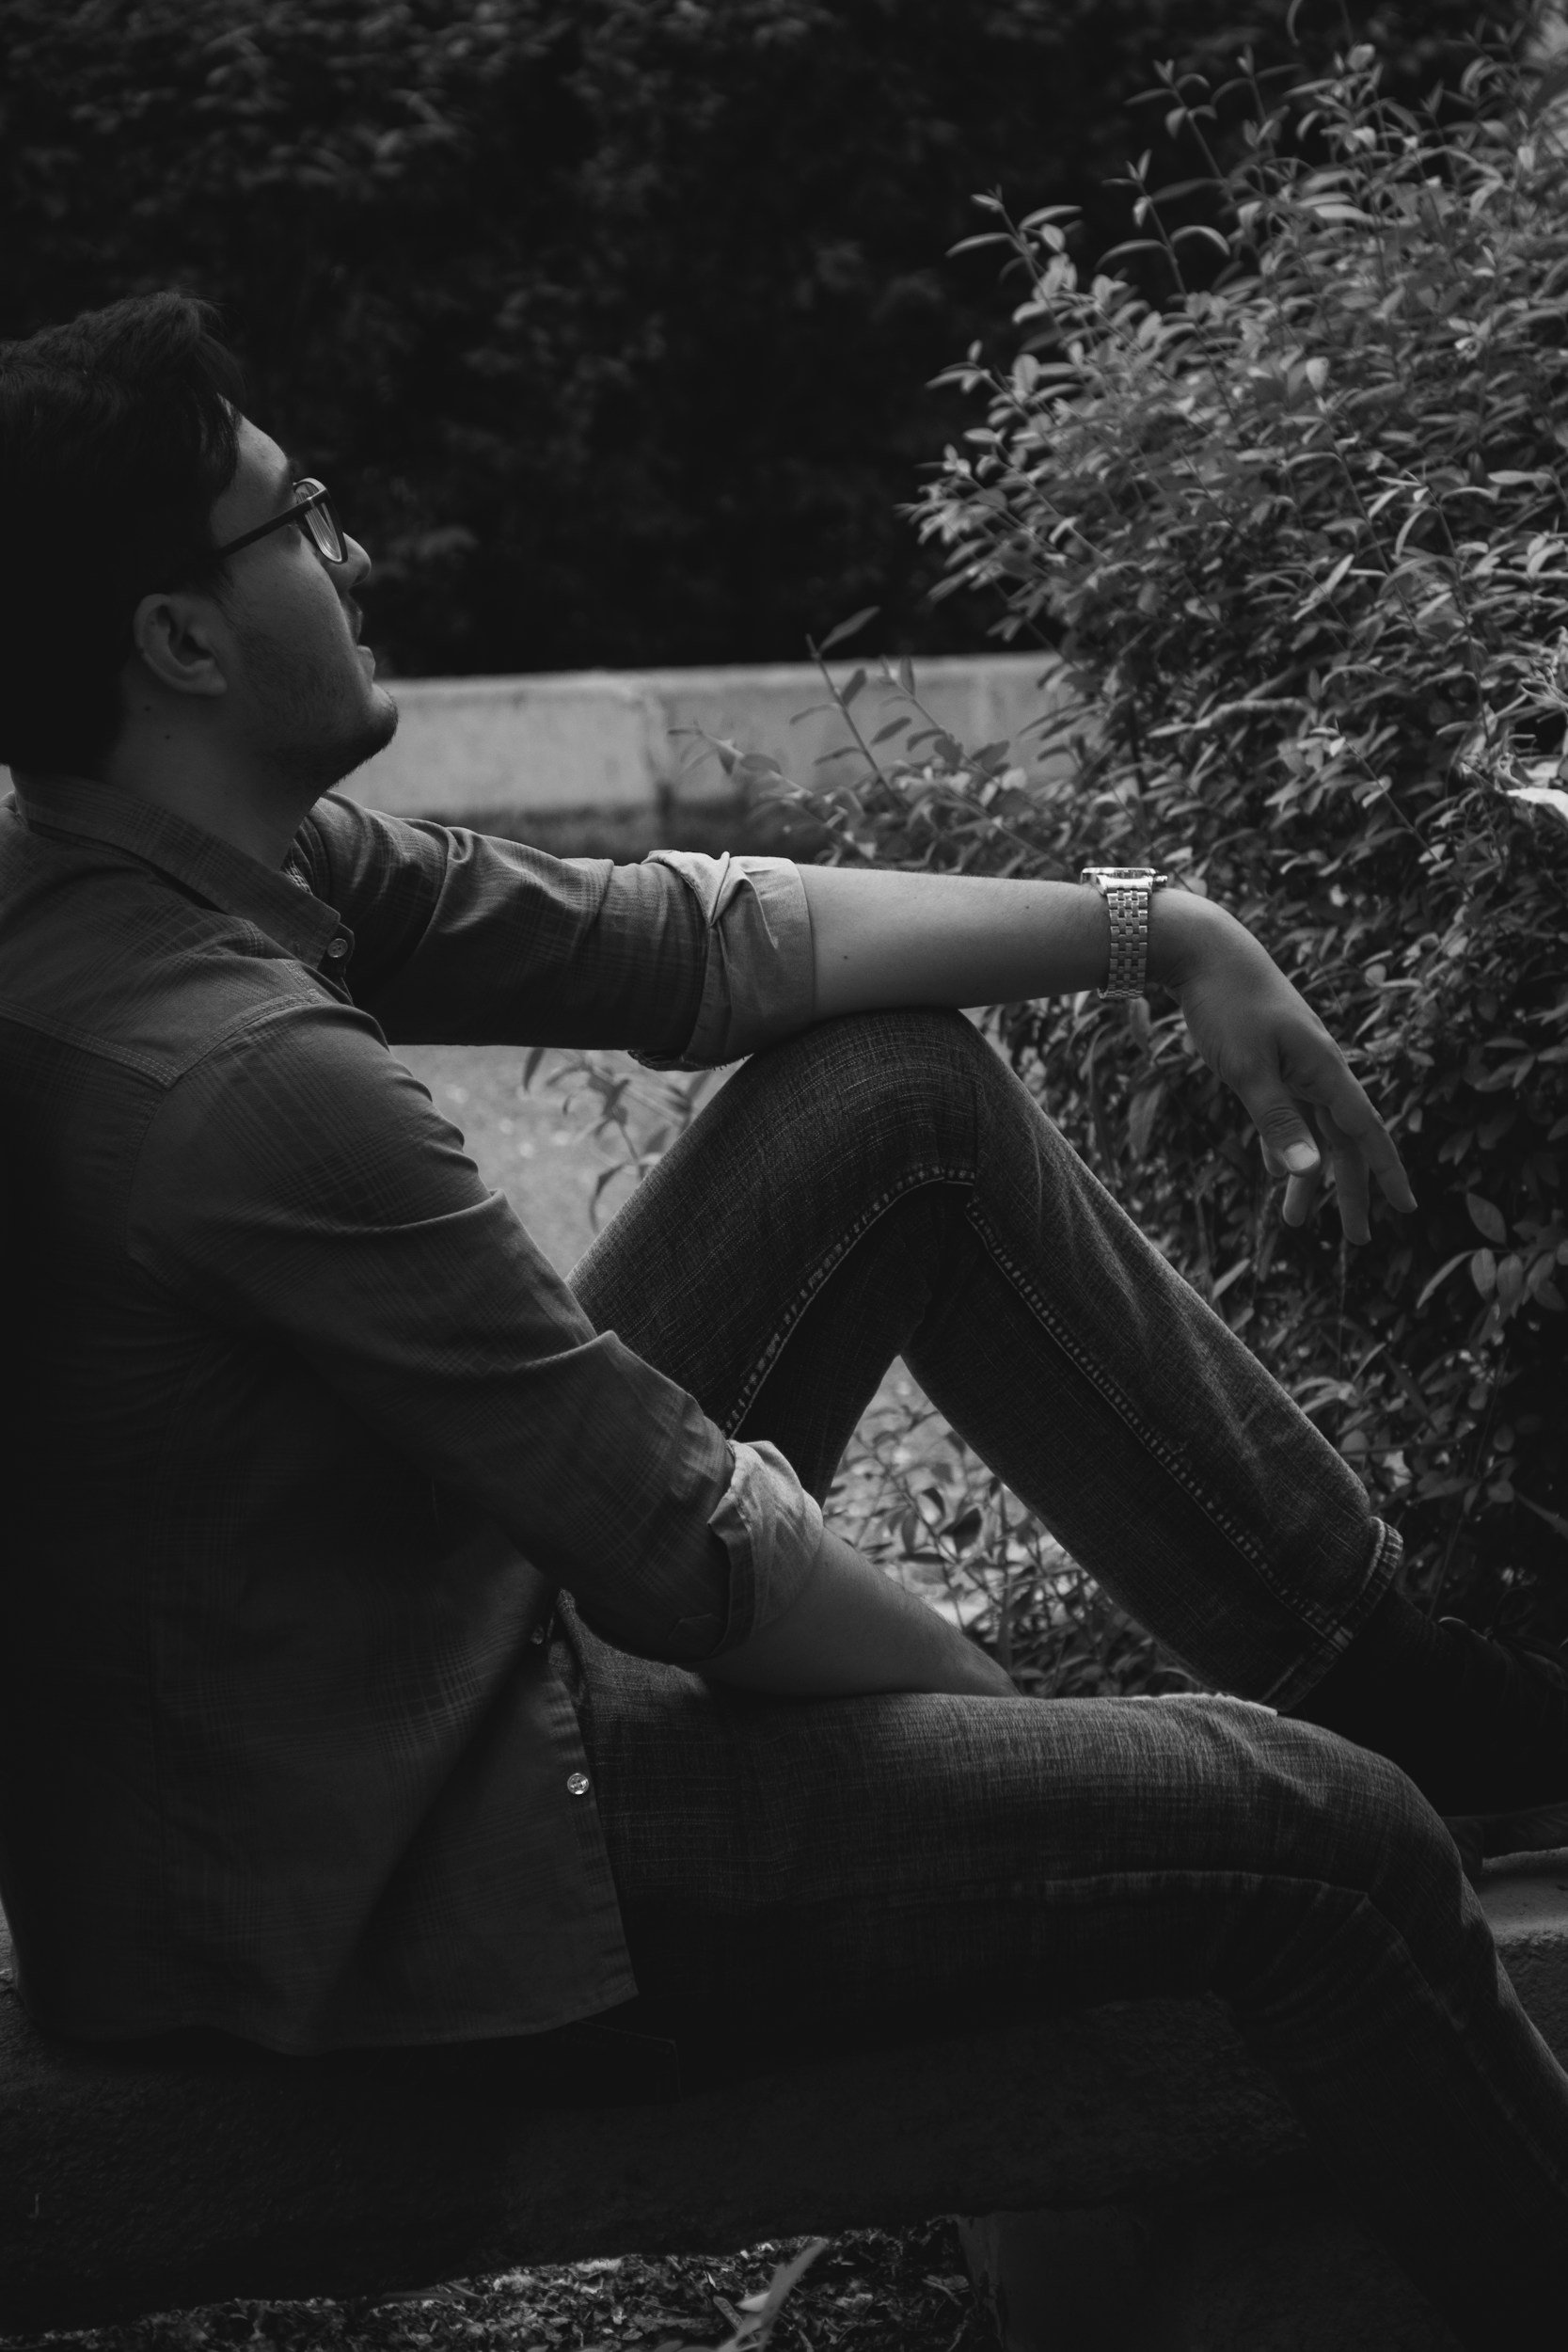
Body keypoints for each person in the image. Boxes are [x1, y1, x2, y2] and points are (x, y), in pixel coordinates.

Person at [0, 290, 1564, 2342]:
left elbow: (697, 937)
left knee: (895, 1094)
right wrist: (1088, 1780)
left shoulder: (167, 859)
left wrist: (1156, 925)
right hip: (423, 1877)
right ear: (182, 641)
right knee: (1327, 1835)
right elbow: (696, 1554)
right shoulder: (236, 1072)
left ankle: (1401, 1675)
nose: (353, 557)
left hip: (385, 1672)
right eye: (301, 522)